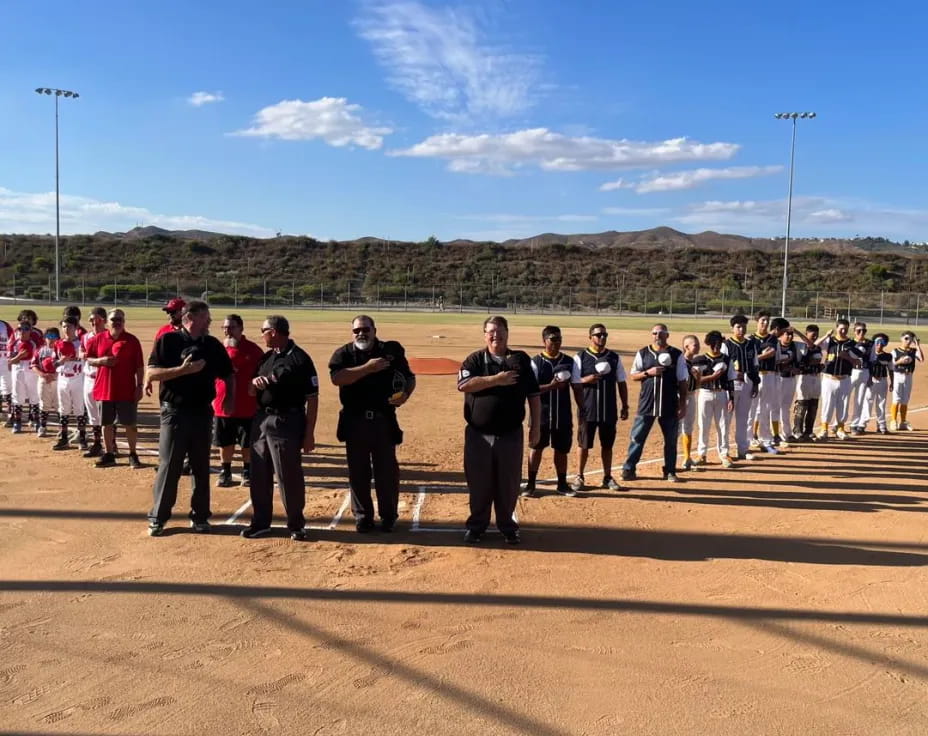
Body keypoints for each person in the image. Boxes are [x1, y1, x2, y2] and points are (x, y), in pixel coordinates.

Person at [146, 300, 235, 536]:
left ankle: (200, 517)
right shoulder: (168, 340)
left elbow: (228, 374)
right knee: (169, 465)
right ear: (190, 318)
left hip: (202, 413)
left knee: (201, 466)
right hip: (174, 413)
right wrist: (183, 370)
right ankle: (158, 517)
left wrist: (229, 398)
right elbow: (152, 373)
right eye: (206, 317)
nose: (210, 322)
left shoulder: (212, 345)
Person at [329, 315, 416, 532]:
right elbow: (338, 378)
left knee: (387, 472)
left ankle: (388, 517)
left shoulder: (392, 350)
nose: (361, 333)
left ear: (374, 330)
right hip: (354, 421)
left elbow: (409, 377)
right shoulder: (344, 354)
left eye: (365, 329)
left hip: (383, 420)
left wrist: (405, 393)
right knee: (358, 473)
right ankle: (363, 517)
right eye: (357, 330)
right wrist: (367, 368)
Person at [458, 316, 540, 545]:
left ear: (507, 333)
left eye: (500, 331)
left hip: (510, 435)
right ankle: (477, 526)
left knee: (508, 484)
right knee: (479, 483)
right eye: (491, 331)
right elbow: (463, 385)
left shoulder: (521, 360)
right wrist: (497, 379)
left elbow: (533, 395)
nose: (496, 335)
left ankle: (508, 527)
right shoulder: (475, 359)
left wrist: (536, 426)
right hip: (478, 436)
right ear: (485, 334)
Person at [241, 315, 319, 541]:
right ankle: (261, 522)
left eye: (263, 330)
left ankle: (296, 524)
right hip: (261, 421)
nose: (262, 334)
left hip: (287, 422)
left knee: (288, 475)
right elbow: (249, 390)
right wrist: (254, 385)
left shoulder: (300, 359)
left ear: (274, 332)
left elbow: (312, 399)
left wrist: (309, 433)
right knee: (259, 474)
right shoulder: (266, 358)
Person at [621, 324, 689, 482]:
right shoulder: (643, 353)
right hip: (647, 403)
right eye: (654, 333)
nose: (657, 335)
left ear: (667, 335)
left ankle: (670, 471)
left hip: (669, 404)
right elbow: (633, 375)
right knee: (637, 437)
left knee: (671, 440)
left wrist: (683, 404)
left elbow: (682, 381)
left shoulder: (676, 354)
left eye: (661, 333)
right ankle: (629, 469)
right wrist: (648, 372)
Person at [570, 323, 629, 493]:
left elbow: (621, 382)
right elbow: (573, 382)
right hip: (587, 409)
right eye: (598, 335)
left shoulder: (613, 357)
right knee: (584, 444)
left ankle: (607, 477)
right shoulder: (580, 357)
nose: (601, 337)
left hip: (608, 409)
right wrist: (585, 380)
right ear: (590, 337)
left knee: (607, 445)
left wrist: (624, 405)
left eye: (604, 335)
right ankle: (579, 476)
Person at [83, 309, 145, 468]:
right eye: (114, 319)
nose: (117, 322)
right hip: (104, 388)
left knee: (130, 424)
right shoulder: (98, 339)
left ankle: (133, 454)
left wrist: (139, 386)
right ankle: (109, 453)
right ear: (107, 321)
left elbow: (139, 366)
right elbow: (89, 359)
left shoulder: (132, 340)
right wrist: (102, 361)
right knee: (106, 423)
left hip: (126, 389)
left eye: (120, 319)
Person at [522, 326, 575, 496]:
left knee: (561, 449)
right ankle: (530, 484)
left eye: (559, 339)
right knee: (536, 448)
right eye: (553, 339)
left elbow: (578, 386)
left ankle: (562, 483)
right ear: (544, 341)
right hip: (541, 414)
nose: (557, 342)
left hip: (562, 414)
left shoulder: (569, 361)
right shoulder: (535, 362)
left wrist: (582, 408)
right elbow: (530, 388)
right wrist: (551, 386)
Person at [213, 315, 265, 488]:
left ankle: (247, 471)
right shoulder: (219, 349)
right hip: (222, 404)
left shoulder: (253, 350)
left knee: (247, 441)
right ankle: (225, 471)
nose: (227, 331)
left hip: (247, 405)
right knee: (225, 441)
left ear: (241, 328)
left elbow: (262, 374)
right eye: (225, 327)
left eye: (231, 327)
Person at [695, 330, 735, 468]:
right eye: (713, 344)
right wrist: (713, 376)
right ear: (709, 344)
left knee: (723, 426)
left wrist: (732, 398)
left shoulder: (727, 359)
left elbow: (730, 380)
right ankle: (702, 454)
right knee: (703, 425)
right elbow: (696, 380)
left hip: (721, 393)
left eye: (718, 343)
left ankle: (724, 454)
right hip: (705, 393)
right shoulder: (700, 359)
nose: (716, 346)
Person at [815, 318, 860, 440]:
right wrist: (826, 335)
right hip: (829, 378)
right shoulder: (830, 341)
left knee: (843, 405)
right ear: (836, 328)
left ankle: (840, 429)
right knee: (827, 404)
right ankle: (824, 429)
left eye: (845, 329)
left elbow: (857, 361)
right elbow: (815, 345)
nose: (843, 331)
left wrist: (848, 358)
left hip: (844, 378)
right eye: (841, 328)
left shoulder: (851, 343)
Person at [722, 315, 759, 460]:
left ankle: (743, 449)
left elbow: (755, 365)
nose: (741, 329)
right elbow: (722, 365)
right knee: (726, 418)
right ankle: (724, 451)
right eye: (738, 326)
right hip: (732, 384)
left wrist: (755, 384)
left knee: (743, 417)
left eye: (743, 326)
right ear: (732, 328)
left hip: (748, 382)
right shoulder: (727, 345)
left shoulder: (751, 344)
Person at [52, 316, 85, 451]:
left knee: (79, 409)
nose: (66, 329)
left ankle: (82, 438)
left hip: (78, 378)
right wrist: (61, 361)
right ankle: (64, 438)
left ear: (76, 328)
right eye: (64, 326)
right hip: (63, 378)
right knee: (63, 409)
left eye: (69, 326)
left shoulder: (82, 343)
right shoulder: (58, 343)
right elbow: (53, 363)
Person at [79, 307, 107, 457]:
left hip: (103, 379)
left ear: (103, 320)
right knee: (93, 414)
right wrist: (82, 354)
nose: (93, 322)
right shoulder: (85, 336)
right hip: (89, 379)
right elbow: (80, 352)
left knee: (107, 413)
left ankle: (111, 443)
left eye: (96, 319)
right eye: (91, 320)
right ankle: (97, 443)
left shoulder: (109, 336)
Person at [791, 324, 823, 441]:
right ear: (806, 334)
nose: (814, 336)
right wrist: (797, 332)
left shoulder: (817, 348)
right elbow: (808, 343)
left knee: (813, 405)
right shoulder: (802, 347)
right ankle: (797, 430)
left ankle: (809, 431)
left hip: (816, 378)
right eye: (812, 334)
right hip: (804, 378)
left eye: (816, 334)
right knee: (802, 404)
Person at [8, 321, 38, 434]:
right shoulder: (14, 343)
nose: (22, 331)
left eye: (25, 329)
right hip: (17, 370)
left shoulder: (33, 344)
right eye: (20, 329)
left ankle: (35, 420)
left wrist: (17, 358)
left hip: (30, 370)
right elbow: (10, 361)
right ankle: (17, 421)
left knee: (33, 395)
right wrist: (19, 356)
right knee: (17, 396)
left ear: (30, 331)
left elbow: (35, 358)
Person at [891, 331, 923, 431]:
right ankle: (893, 421)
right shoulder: (895, 351)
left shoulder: (913, 351)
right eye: (906, 338)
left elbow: (921, 359)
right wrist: (899, 361)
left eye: (910, 339)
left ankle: (903, 422)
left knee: (905, 399)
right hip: (897, 376)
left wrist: (917, 345)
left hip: (908, 376)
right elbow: (891, 365)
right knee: (896, 398)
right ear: (901, 339)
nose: (908, 341)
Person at [32, 327, 61, 438]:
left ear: (58, 338)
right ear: (45, 338)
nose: (51, 339)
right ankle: (42, 426)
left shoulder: (61, 350)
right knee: (44, 404)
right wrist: (43, 375)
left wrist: (55, 375)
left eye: (54, 337)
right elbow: (34, 365)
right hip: (43, 380)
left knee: (59, 405)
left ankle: (61, 428)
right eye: (49, 337)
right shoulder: (40, 350)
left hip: (57, 380)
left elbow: (65, 366)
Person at [679, 335, 702, 471]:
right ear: (686, 347)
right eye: (695, 344)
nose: (698, 346)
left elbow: (697, 385)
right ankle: (669, 458)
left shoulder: (695, 363)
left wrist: (698, 376)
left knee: (688, 427)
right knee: (676, 428)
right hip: (680, 397)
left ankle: (687, 458)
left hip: (692, 396)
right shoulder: (680, 362)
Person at [848, 322, 875, 435]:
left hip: (864, 371)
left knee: (859, 400)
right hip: (850, 372)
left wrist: (870, 376)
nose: (861, 333)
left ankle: (854, 424)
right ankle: (838, 424)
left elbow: (872, 360)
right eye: (858, 330)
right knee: (844, 398)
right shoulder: (849, 343)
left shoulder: (870, 344)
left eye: (863, 331)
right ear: (854, 331)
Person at [869, 333, 893, 434]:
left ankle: (881, 426)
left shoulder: (887, 356)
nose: (879, 345)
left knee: (881, 403)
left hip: (882, 380)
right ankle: (861, 425)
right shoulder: (869, 355)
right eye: (877, 343)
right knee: (868, 402)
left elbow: (891, 370)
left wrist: (892, 382)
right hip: (870, 381)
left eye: (882, 343)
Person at [0, 315, 13, 423]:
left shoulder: (4, 326)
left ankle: (11, 413)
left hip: (5, 361)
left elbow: (12, 342)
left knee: (7, 387)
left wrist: (11, 359)